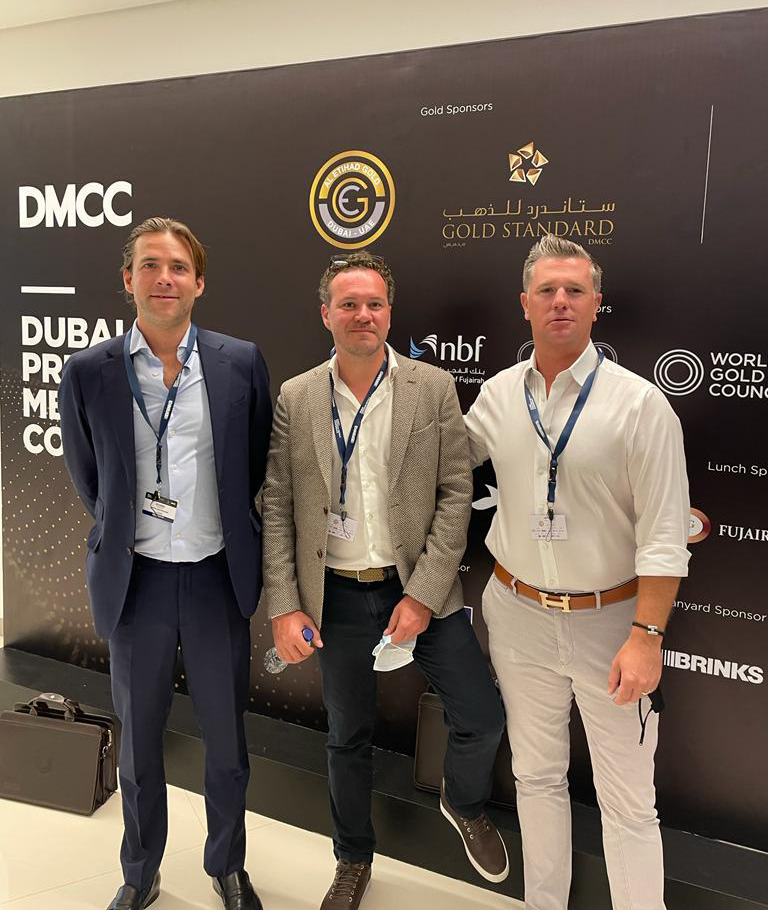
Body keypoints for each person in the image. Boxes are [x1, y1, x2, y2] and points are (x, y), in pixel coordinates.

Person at [261, 250, 508, 910]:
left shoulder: (433, 387)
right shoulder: (297, 396)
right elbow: (278, 503)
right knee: (347, 738)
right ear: (326, 314)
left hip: (421, 588)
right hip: (336, 595)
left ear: (389, 314)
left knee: (481, 717)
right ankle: (352, 859)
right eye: (348, 304)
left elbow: (456, 493)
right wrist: (284, 603)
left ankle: (465, 802)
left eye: (373, 303)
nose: (362, 314)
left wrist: (422, 596)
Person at [464, 234, 690, 910]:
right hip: (517, 614)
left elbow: (665, 536)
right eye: (547, 291)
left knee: (629, 803)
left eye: (574, 290)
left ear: (596, 304)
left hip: (613, 624)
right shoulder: (498, 395)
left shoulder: (641, 405)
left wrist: (647, 635)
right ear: (525, 305)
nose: (560, 301)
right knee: (535, 779)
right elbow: (440, 464)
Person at [59, 217, 272, 910]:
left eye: (178, 266)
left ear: (199, 282)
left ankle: (227, 866)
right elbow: (91, 478)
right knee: (139, 745)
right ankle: (140, 872)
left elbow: (254, 462)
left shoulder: (240, 362)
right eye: (149, 265)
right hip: (137, 584)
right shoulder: (89, 371)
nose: (164, 278)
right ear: (128, 280)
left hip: (215, 579)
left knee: (227, 743)